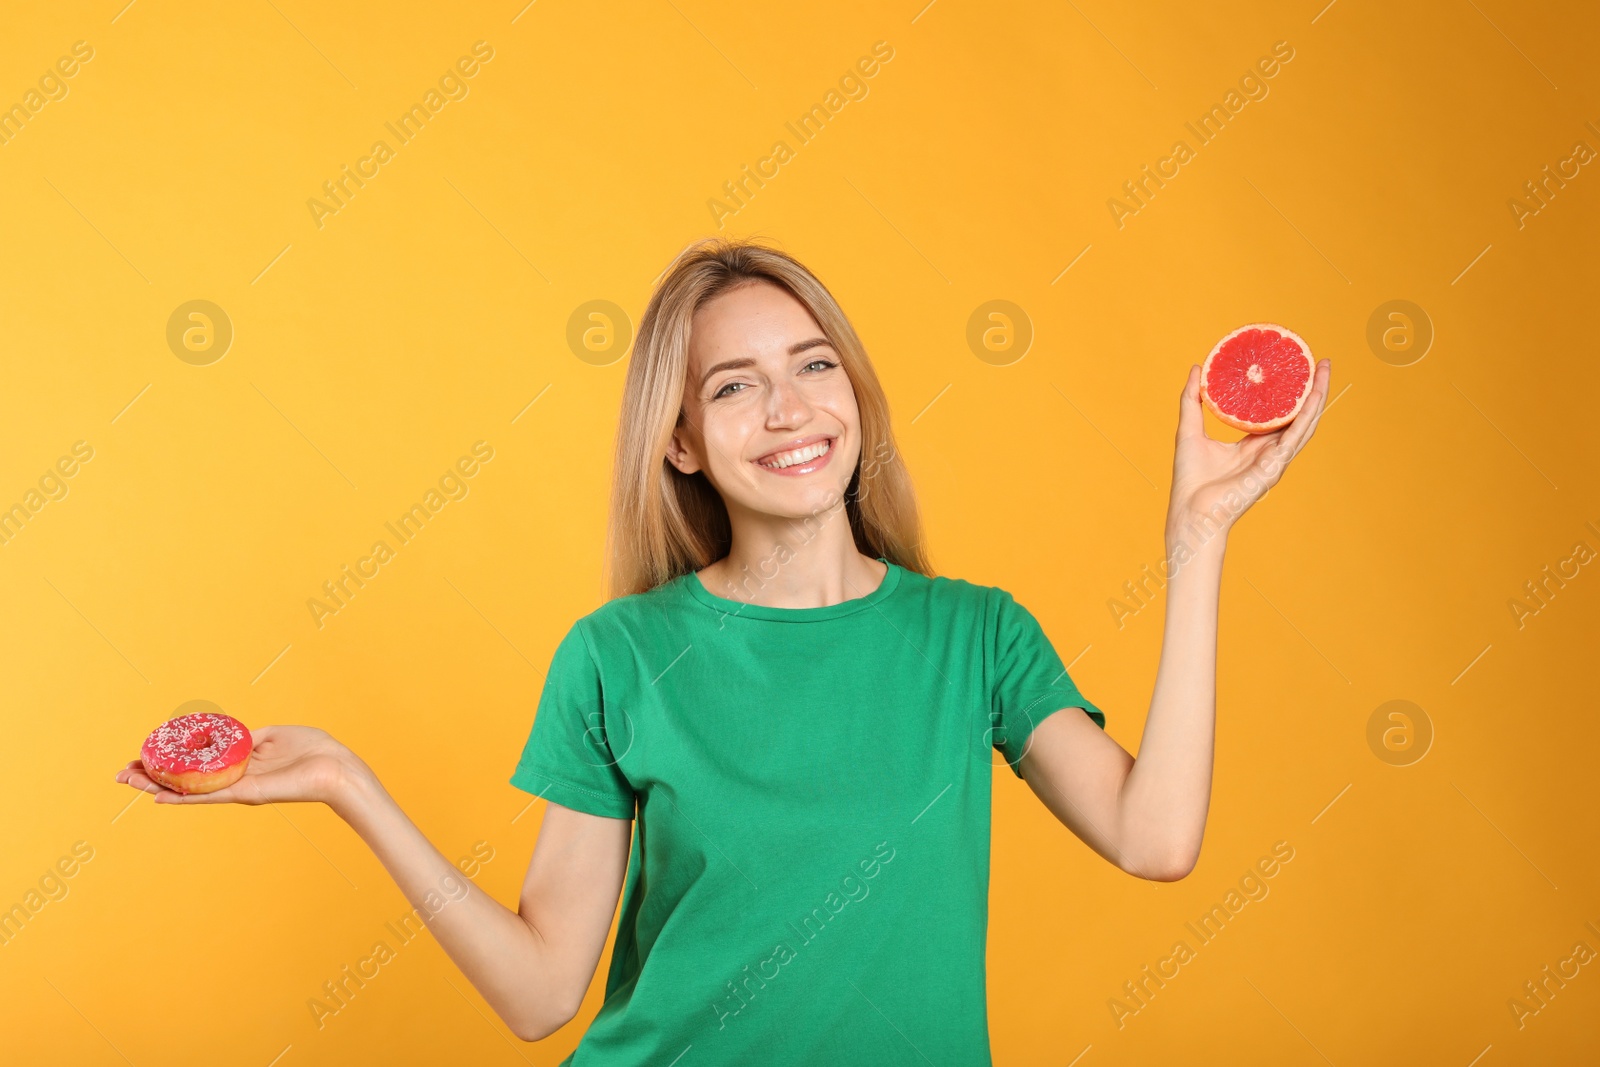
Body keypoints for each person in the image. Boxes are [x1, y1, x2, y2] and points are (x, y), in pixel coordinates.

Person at [115, 236, 1330, 1063]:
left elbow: (1155, 837)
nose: (791, 408)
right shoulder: (617, 657)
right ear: (683, 441)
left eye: (814, 367)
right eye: (734, 387)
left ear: (854, 394)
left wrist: (1198, 538)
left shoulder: (976, 637)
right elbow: (543, 995)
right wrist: (346, 784)